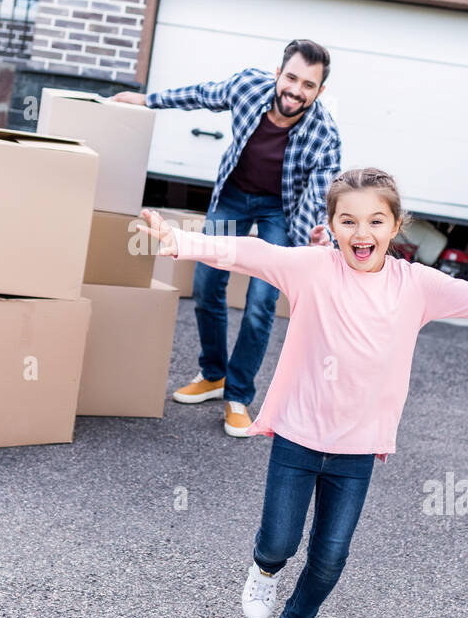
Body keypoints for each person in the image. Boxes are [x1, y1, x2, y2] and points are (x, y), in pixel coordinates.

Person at [137, 169, 468, 618]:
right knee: (279, 540)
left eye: (375, 221)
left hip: (357, 449)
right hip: (298, 436)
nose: (361, 232)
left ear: (395, 226)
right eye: (348, 220)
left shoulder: (417, 286)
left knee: (331, 555)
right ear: (331, 226)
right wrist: (179, 240)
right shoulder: (311, 268)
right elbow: (251, 254)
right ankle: (265, 569)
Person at [112, 40, 341, 438]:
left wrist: (320, 233)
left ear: (319, 92)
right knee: (206, 284)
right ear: (277, 74)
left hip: (280, 211)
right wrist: (147, 100)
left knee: (260, 303)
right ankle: (213, 374)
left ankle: (238, 394)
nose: (295, 90)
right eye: (291, 78)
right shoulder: (248, 87)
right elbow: (201, 95)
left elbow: (321, 196)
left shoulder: (325, 135)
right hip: (233, 196)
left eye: (308, 85)